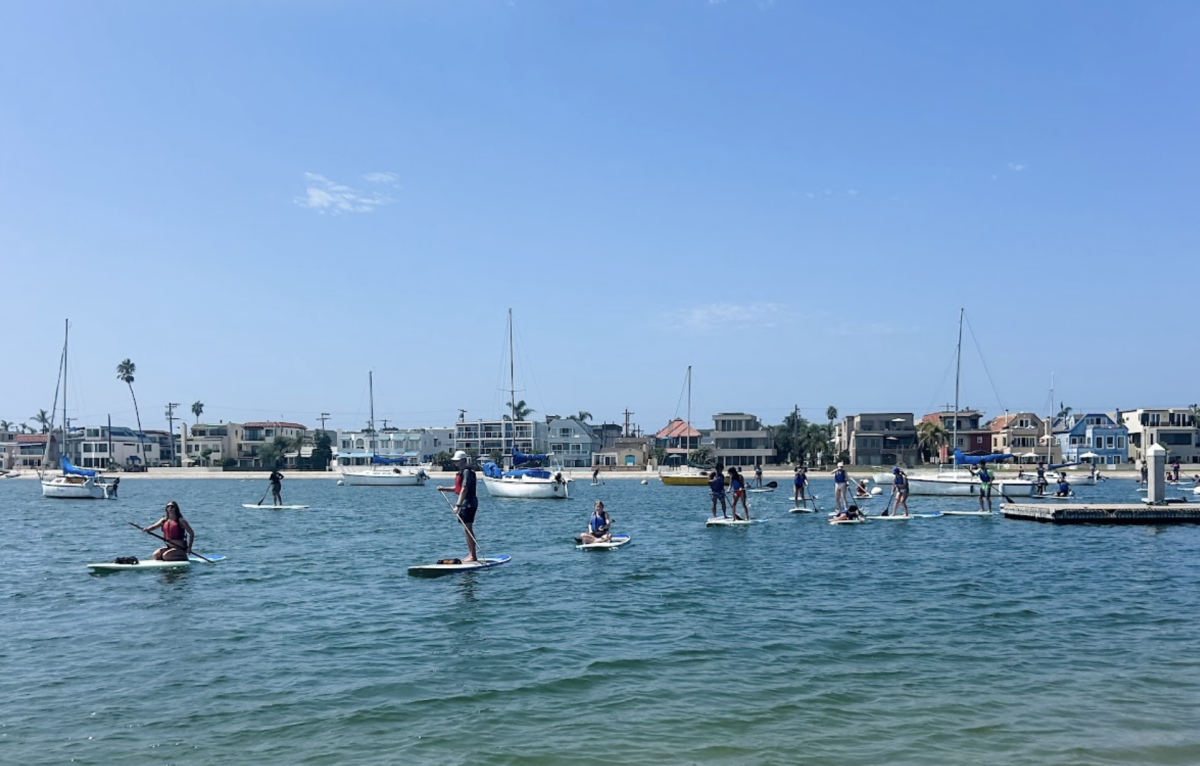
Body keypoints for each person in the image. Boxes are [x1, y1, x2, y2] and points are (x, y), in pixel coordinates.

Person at [450, 450, 478, 562]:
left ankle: (473, 555)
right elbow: (459, 488)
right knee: (466, 529)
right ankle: (471, 554)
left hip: (468, 504)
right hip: (466, 504)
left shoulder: (466, 472)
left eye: (457, 461)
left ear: (463, 460)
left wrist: (457, 505)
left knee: (468, 529)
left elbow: (464, 488)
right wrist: (444, 489)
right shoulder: (463, 472)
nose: (455, 463)